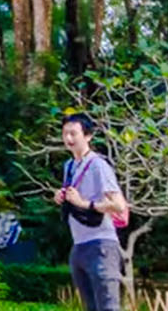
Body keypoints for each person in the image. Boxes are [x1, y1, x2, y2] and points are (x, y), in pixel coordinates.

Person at [52, 112, 128, 311]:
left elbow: (119, 205)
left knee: (108, 307)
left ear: (88, 136)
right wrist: (63, 197)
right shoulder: (69, 166)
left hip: (101, 245)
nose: (68, 139)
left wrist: (85, 203)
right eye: (65, 133)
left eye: (74, 134)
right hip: (79, 246)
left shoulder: (98, 165)